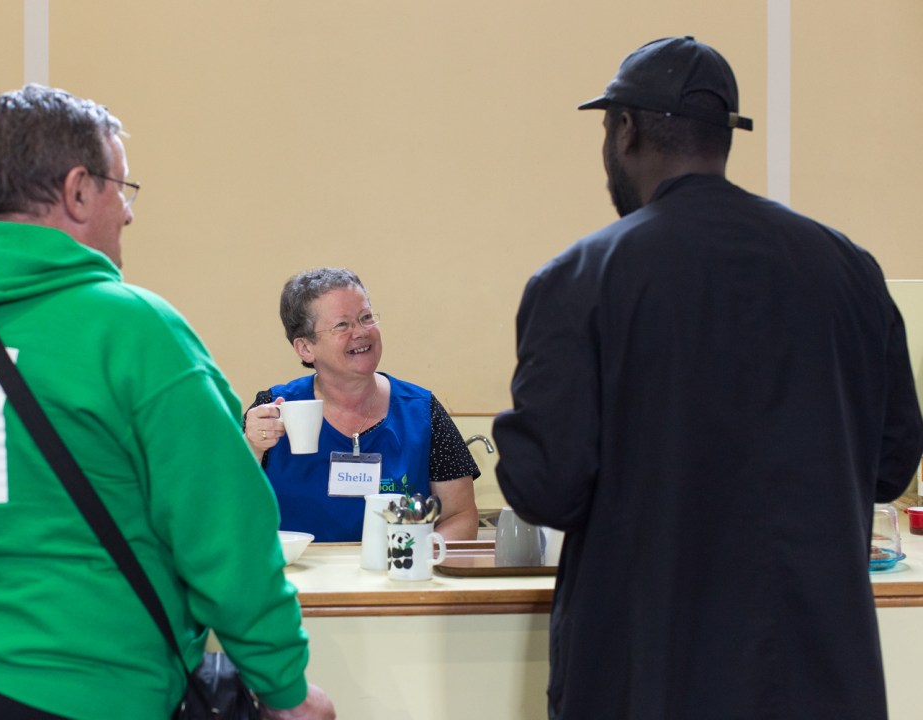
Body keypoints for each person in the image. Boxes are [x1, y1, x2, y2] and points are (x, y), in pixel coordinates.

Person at [0, 84, 335, 720]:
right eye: (120, 187)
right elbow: (225, 531)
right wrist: (284, 686)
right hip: (82, 689)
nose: (128, 212)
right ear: (79, 189)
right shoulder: (133, 331)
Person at [492, 36, 923, 720]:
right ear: (724, 136)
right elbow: (892, 462)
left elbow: (546, 485)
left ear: (625, 129)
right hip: (819, 673)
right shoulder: (849, 270)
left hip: (649, 671)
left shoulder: (580, 279)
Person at [243, 267, 479, 543]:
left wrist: (412, 560)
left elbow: (460, 516)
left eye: (366, 318)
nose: (361, 332)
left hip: (396, 580)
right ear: (306, 348)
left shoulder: (422, 411)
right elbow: (221, 507)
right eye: (342, 325)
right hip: (298, 581)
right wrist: (251, 447)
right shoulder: (272, 409)